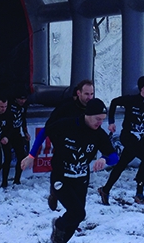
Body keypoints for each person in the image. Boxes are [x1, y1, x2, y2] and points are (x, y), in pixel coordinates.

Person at [29, 98, 118, 243]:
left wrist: (105, 160)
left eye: (102, 120)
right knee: (78, 212)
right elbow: (45, 132)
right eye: (97, 119)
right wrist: (32, 155)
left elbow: (114, 157)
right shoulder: (68, 124)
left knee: (76, 217)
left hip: (80, 179)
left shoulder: (99, 134)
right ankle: (59, 223)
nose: (100, 123)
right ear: (88, 114)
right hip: (61, 177)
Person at [23, 79, 95, 210]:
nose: (89, 97)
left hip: (82, 152)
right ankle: (55, 192)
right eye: (86, 94)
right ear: (78, 93)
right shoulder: (66, 108)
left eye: (91, 94)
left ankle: (75, 216)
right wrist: (32, 154)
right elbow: (47, 128)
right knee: (62, 177)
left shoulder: (93, 108)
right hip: (64, 146)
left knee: (80, 191)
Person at [97, 76, 144, 205]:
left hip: (139, 139)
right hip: (128, 136)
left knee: (121, 165)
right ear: (141, 88)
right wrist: (111, 122)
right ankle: (139, 193)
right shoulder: (131, 100)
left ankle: (105, 189)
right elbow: (114, 102)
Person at [9, 89, 31, 186]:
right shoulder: (10, 104)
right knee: (7, 158)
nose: (22, 101)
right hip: (6, 133)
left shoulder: (24, 106)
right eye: (20, 99)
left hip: (17, 133)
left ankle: (17, 180)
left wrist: (25, 132)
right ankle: (4, 182)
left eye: (24, 99)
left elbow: (23, 119)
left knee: (21, 156)